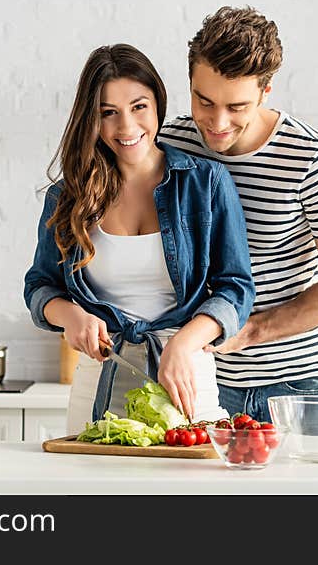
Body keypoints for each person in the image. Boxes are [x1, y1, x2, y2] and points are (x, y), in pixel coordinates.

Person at [23, 43, 254, 434]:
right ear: (91, 120)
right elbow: (40, 286)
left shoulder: (205, 182)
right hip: (98, 380)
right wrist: (71, 315)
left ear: (158, 104)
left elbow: (236, 289)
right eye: (108, 113)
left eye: (138, 106)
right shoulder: (66, 197)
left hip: (186, 378)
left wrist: (182, 345)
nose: (126, 127)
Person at [157, 6, 318, 423]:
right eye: (204, 101)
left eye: (237, 107)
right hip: (197, 382)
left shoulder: (311, 158)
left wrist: (253, 330)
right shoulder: (172, 143)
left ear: (265, 92)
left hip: (297, 387)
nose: (217, 122)